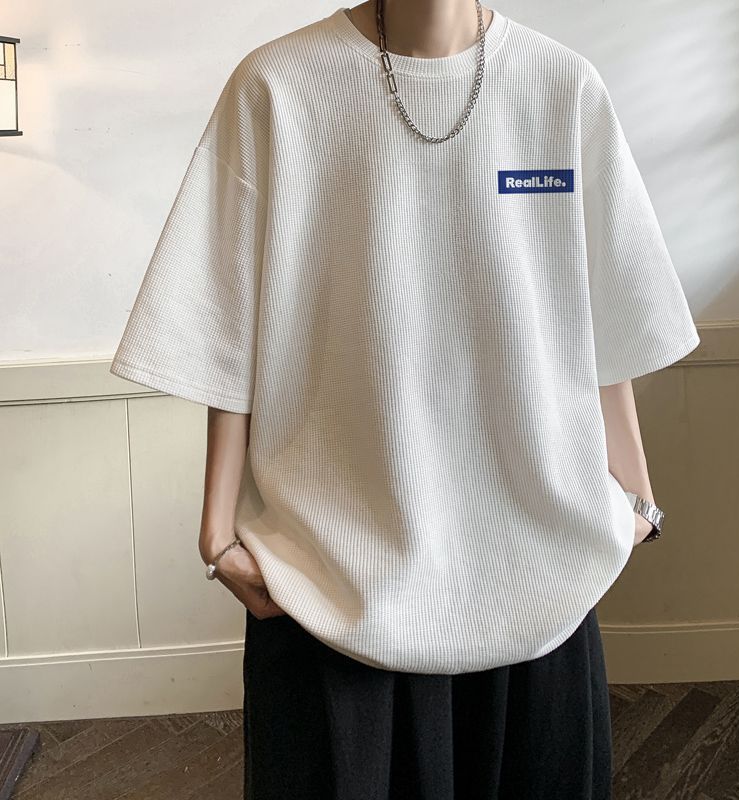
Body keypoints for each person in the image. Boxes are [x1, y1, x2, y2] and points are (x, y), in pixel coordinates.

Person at [110, 0, 700, 797]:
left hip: (543, 574)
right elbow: (225, 315)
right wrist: (217, 532)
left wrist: (636, 496)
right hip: (328, 582)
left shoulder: (562, 86)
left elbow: (602, 312)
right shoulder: (278, 86)